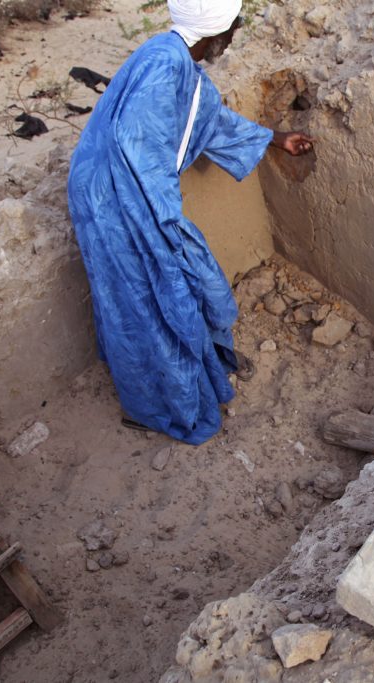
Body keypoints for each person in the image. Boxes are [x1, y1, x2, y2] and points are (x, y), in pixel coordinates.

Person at [67, 0, 314, 444]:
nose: (237, 33)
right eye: (234, 26)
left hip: (130, 197)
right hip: (116, 204)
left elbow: (204, 118)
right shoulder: (165, 68)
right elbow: (135, 147)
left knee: (177, 291)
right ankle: (162, 408)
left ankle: (199, 371)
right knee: (149, 305)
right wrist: (163, 221)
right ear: (215, 33)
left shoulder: (173, 57)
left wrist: (275, 139)